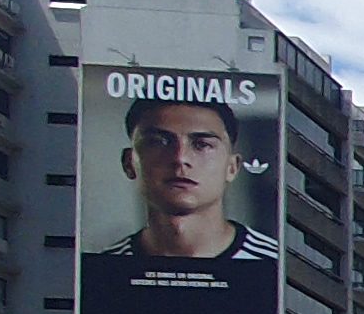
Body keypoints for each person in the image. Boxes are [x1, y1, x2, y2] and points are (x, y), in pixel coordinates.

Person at [101, 96, 279, 260]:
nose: (180, 158)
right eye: (158, 141)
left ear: (232, 167)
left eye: (202, 144)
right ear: (129, 163)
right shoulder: (102, 269)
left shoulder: (278, 266)